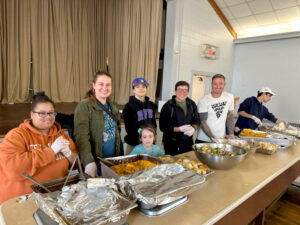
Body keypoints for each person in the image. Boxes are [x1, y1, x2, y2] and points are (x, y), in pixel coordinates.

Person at [0, 92, 77, 204]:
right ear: (32, 114)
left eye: (51, 113)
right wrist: (50, 152)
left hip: (55, 200)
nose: (48, 117)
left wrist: (69, 153)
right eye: (42, 113)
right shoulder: (16, 136)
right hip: (21, 203)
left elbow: (75, 165)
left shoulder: (61, 136)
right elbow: (13, 169)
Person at [74, 70, 123, 178]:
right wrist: (88, 162)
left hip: (111, 163)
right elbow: (81, 136)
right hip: (95, 164)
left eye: (108, 85)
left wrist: (120, 159)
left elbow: (117, 134)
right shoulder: (84, 106)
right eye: (101, 84)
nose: (104, 88)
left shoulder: (113, 107)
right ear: (93, 85)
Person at [159, 81, 200, 155]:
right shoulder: (168, 106)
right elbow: (162, 127)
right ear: (175, 91)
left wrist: (194, 128)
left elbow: (197, 120)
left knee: (187, 163)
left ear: (188, 92)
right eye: (180, 89)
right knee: (172, 164)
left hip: (187, 142)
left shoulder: (191, 104)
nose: (182, 92)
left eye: (185, 90)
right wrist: (179, 129)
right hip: (171, 143)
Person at [196, 74, 235, 143]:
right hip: (204, 140)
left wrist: (231, 133)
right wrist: (213, 138)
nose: (218, 86)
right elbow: (203, 122)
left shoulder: (229, 97)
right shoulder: (204, 100)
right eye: (215, 84)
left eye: (221, 84)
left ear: (224, 84)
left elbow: (230, 116)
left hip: (221, 138)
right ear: (211, 84)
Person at [122, 78, 157, 154]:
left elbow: (153, 123)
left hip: (149, 144)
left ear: (146, 89)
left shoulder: (151, 105)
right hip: (134, 145)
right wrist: (143, 137)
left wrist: (152, 136)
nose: (141, 88)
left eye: (143, 86)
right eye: (137, 87)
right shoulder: (128, 106)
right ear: (133, 90)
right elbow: (129, 129)